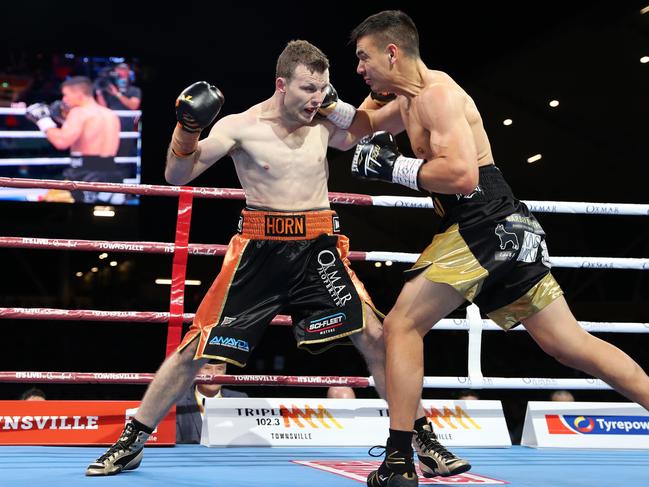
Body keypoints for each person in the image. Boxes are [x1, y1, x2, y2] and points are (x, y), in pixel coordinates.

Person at [84, 39, 466, 477]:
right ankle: (132, 440)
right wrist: (187, 129)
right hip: (257, 251)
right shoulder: (240, 127)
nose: (316, 98)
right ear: (281, 85)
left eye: (322, 88)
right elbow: (178, 174)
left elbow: (368, 129)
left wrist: (359, 105)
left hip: (318, 250)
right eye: (307, 89)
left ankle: (422, 439)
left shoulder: (324, 120)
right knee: (196, 347)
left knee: (377, 338)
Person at [348, 10, 649, 486]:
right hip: (504, 225)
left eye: (364, 57)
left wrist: (393, 170)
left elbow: (463, 176)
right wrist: (317, 103)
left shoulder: (438, 95)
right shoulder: (405, 101)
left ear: (392, 52)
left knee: (401, 327)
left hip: (481, 221)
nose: (359, 68)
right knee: (569, 345)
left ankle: (401, 460)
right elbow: (355, 129)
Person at [24, 76, 122, 203]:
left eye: (66, 95)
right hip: (112, 173)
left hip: (84, 174)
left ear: (79, 95)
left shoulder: (79, 112)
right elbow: (89, 136)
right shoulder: (110, 114)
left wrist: (43, 120)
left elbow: (61, 142)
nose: (64, 99)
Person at [176, 360, 247, 444]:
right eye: (207, 368)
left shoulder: (240, 399)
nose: (213, 374)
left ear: (225, 372)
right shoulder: (178, 402)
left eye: (219, 369)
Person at [96, 63, 142, 157]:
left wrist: (117, 94)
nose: (120, 72)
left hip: (126, 126)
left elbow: (134, 105)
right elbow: (102, 108)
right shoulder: (107, 89)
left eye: (123, 69)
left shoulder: (134, 90)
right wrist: (99, 92)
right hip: (110, 125)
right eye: (118, 69)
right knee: (108, 152)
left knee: (125, 153)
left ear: (128, 72)